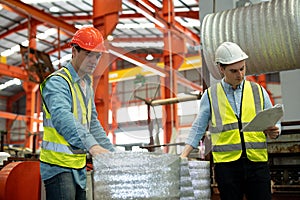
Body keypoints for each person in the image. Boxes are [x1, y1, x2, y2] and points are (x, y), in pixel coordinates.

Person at [180, 42, 281, 200]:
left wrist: (276, 130)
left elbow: (273, 118)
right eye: (233, 71)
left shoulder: (258, 91)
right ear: (221, 68)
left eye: (242, 68)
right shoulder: (211, 95)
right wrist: (183, 155)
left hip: (257, 164)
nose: (240, 75)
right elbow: (198, 127)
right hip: (227, 167)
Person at [39, 26, 115, 200]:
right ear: (74, 51)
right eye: (88, 54)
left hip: (77, 166)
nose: (94, 61)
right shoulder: (58, 82)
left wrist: (112, 154)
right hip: (58, 166)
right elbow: (62, 117)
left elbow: (92, 123)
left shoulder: (86, 84)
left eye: (97, 56)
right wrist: (92, 146)